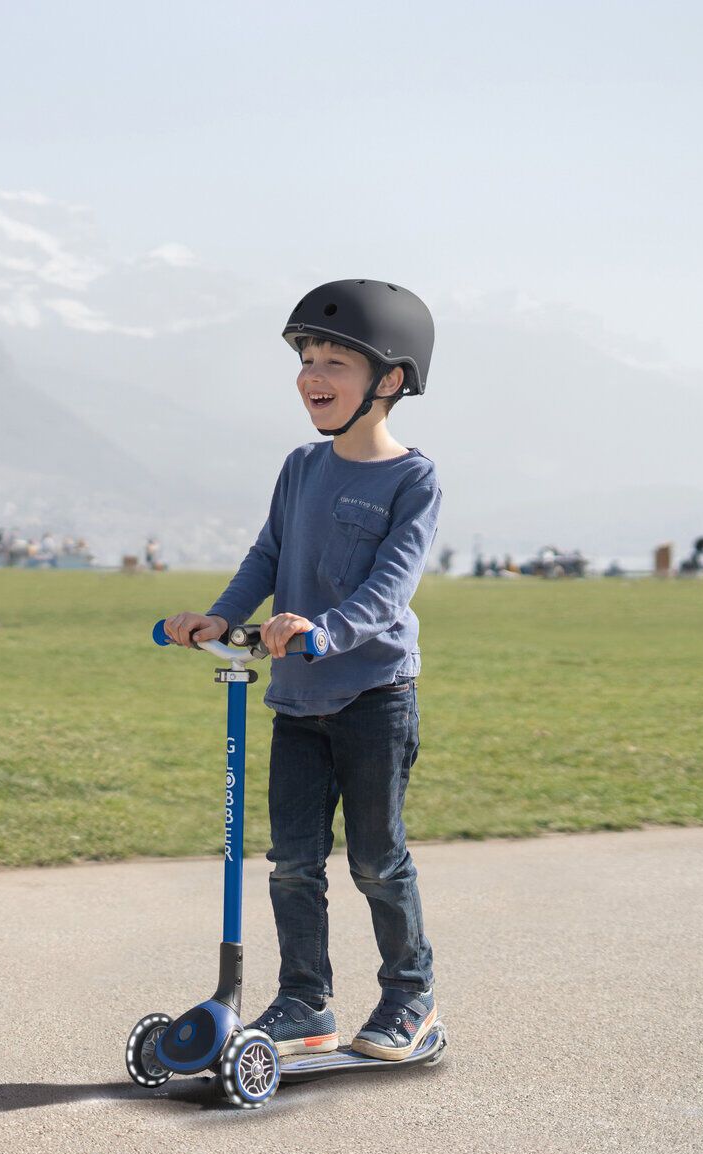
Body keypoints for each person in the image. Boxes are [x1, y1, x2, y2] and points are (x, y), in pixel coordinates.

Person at [162, 279, 442, 1062]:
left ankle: (410, 997)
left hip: (374, 695)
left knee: (376, 859)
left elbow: (391, 588)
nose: (313, 375)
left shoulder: (412, 480)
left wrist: (324, 629)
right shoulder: (300, 467)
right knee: (291, 862)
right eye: (307, 358)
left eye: (335, 362)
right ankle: (302, 1002)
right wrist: (220, 616)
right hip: (296, 697)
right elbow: (269, 556)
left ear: (389, 381)